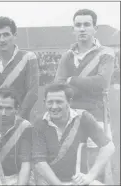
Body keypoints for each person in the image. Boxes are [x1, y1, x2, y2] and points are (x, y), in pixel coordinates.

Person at [53, 9, 117, 182]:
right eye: (78, 25)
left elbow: (101, 83)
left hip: (96, 114)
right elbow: (58, 85)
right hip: (70, 115)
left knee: (97, 164)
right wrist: (85, 84)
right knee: (72, 164)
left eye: (87, 24)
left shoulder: (106, 53)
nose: (82, 29)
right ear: (73, 29)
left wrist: (71, 79)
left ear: (95, 28)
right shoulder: (67, 55)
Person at [32, 83, 115, 185]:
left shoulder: (83, 117)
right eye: (50, 102)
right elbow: (39, 162)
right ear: (44, 103)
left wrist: (90, 176)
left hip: (78, 182)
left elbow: (108, 146)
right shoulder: (40, 123)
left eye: (59, 102)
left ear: (69, 102)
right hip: (50, 183)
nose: (54, 106)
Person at [0, 17, 39, 121]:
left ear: (14, 35)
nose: (2, 40)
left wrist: (19, 119)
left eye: (6, 34)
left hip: (20, 120)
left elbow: (33, 92)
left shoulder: (28, 57)